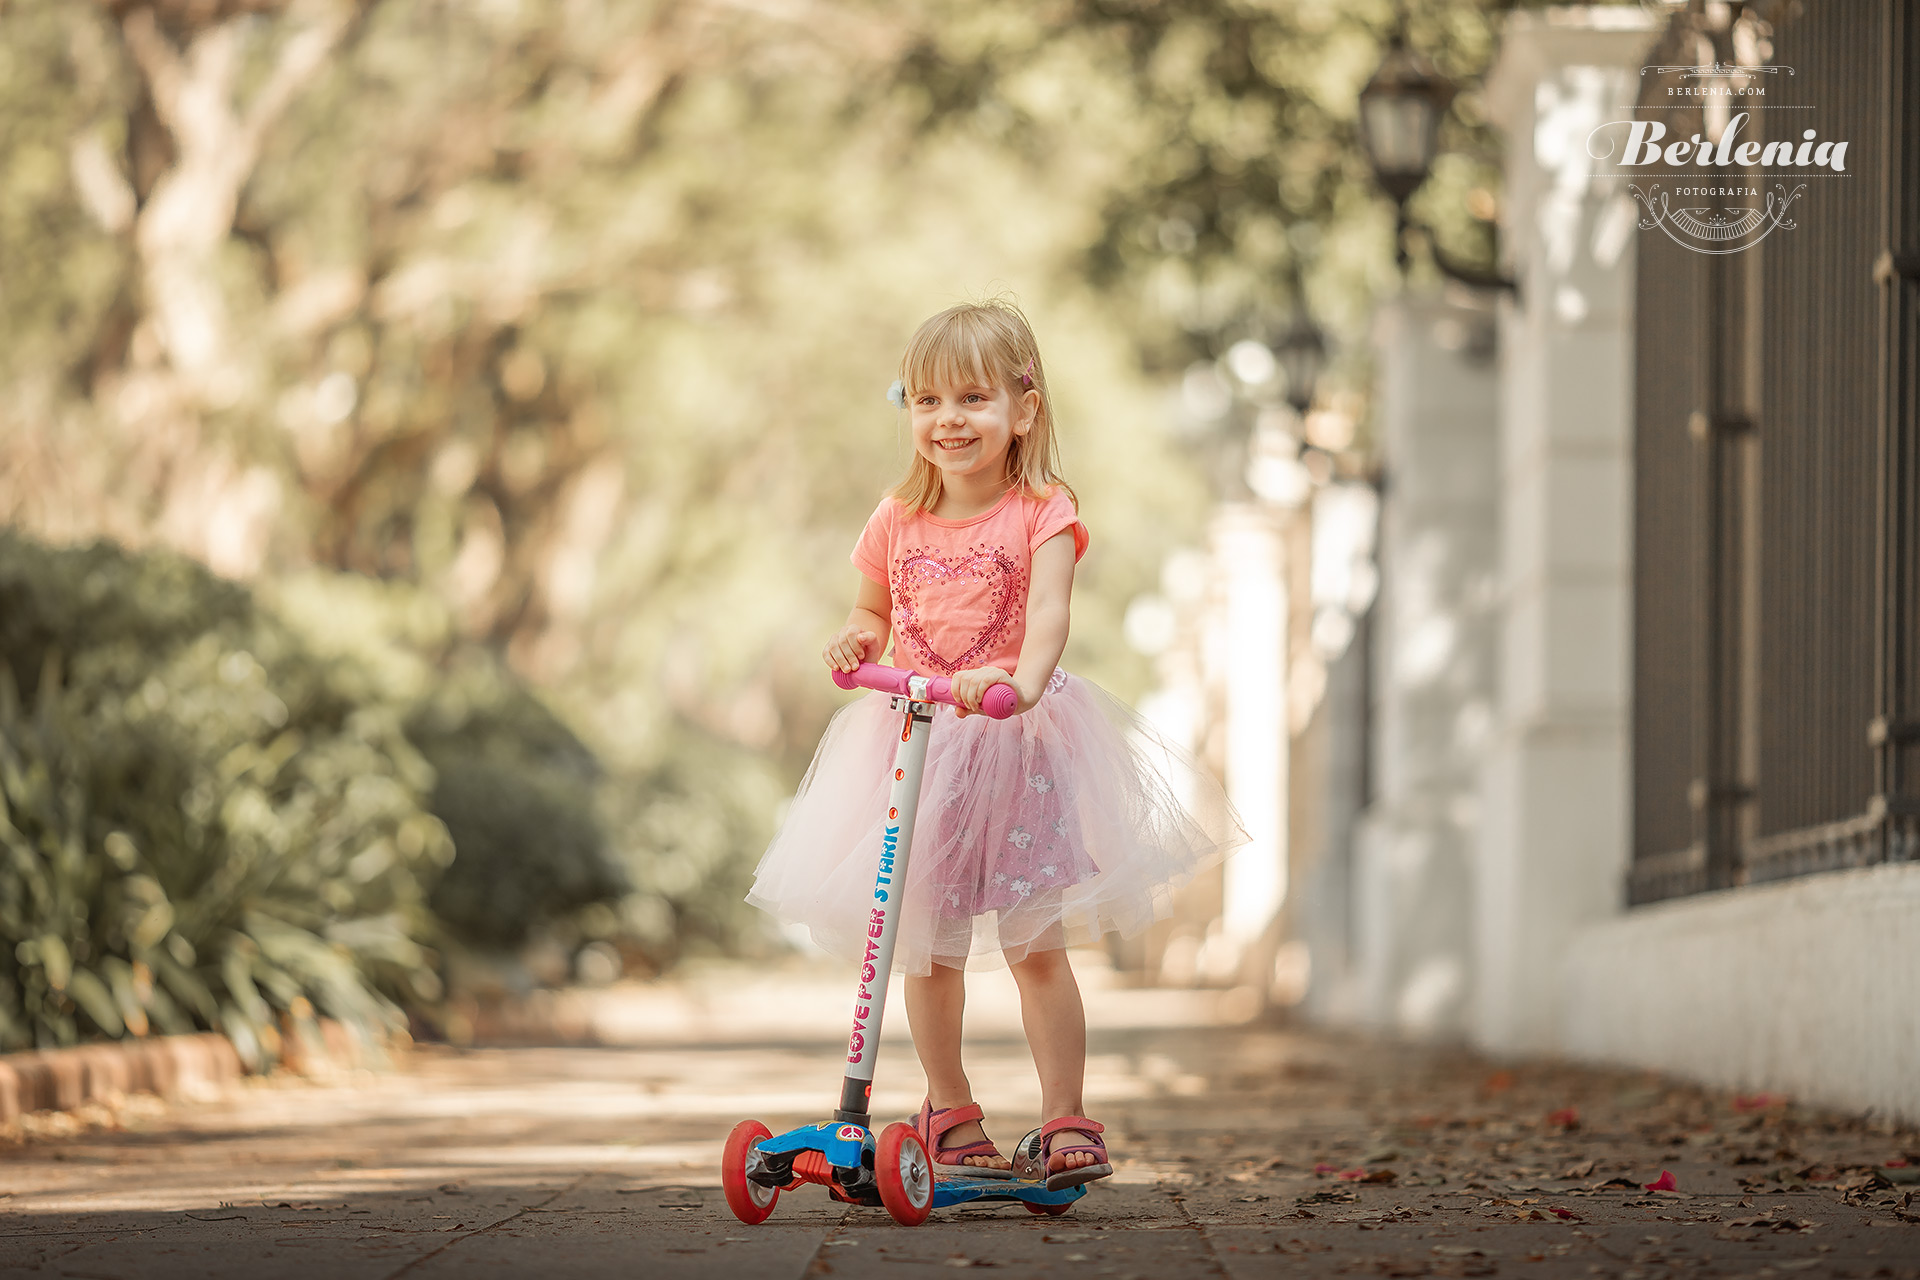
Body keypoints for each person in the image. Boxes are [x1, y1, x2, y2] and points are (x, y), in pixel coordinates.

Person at [747, 299, 1241, 1191]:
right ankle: (949, 1108)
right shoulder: (896, 515)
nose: (949, 421)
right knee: (924, 944)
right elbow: (872, 607)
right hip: (914, 746)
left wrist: (1018, 679)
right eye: (929, 401)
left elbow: (1049, 614)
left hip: (1016, 741)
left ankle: (1064, 1120)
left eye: (972, 399)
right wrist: (859, 640)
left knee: (1035, 944)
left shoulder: (1042, 511)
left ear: (1024, 409)